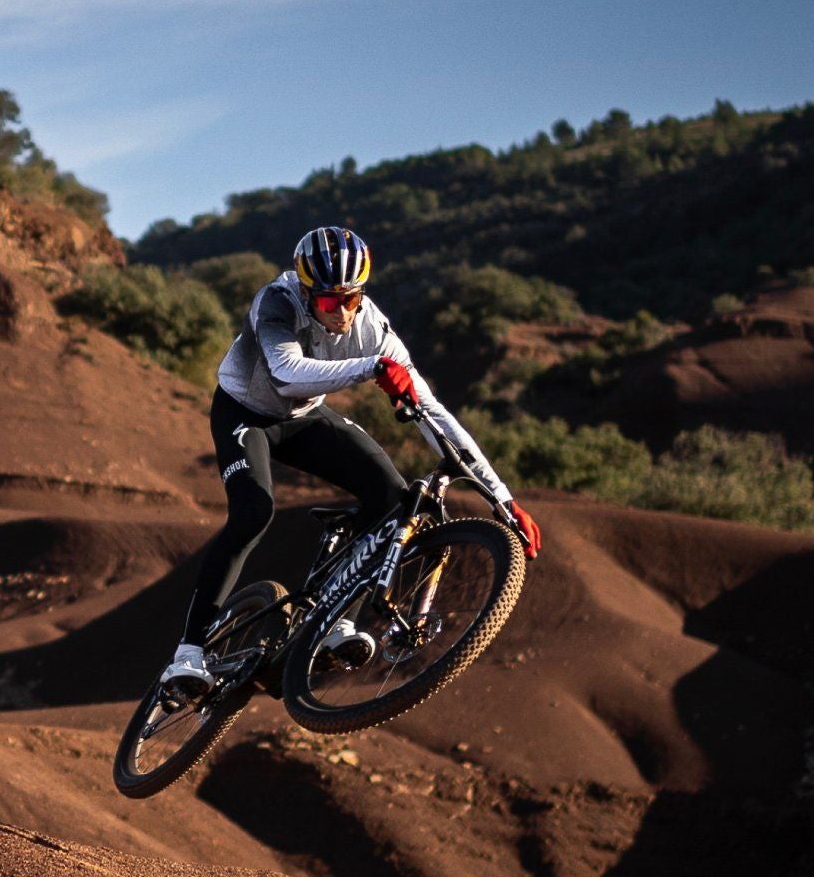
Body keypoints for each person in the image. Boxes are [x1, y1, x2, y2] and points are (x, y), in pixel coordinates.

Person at [160, 225, 542, 698]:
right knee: (253, 512)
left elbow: (432, 412)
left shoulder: (372, 326)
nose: (341, 311)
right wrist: (372, 368)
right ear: (306, 291)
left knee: (393, 499)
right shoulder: (276, 302)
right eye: (328, 301)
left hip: (303, 417)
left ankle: (337, 621)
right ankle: (188, 653)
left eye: (351, 298)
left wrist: (502, 498)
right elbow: (286, 373)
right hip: (245, 413)